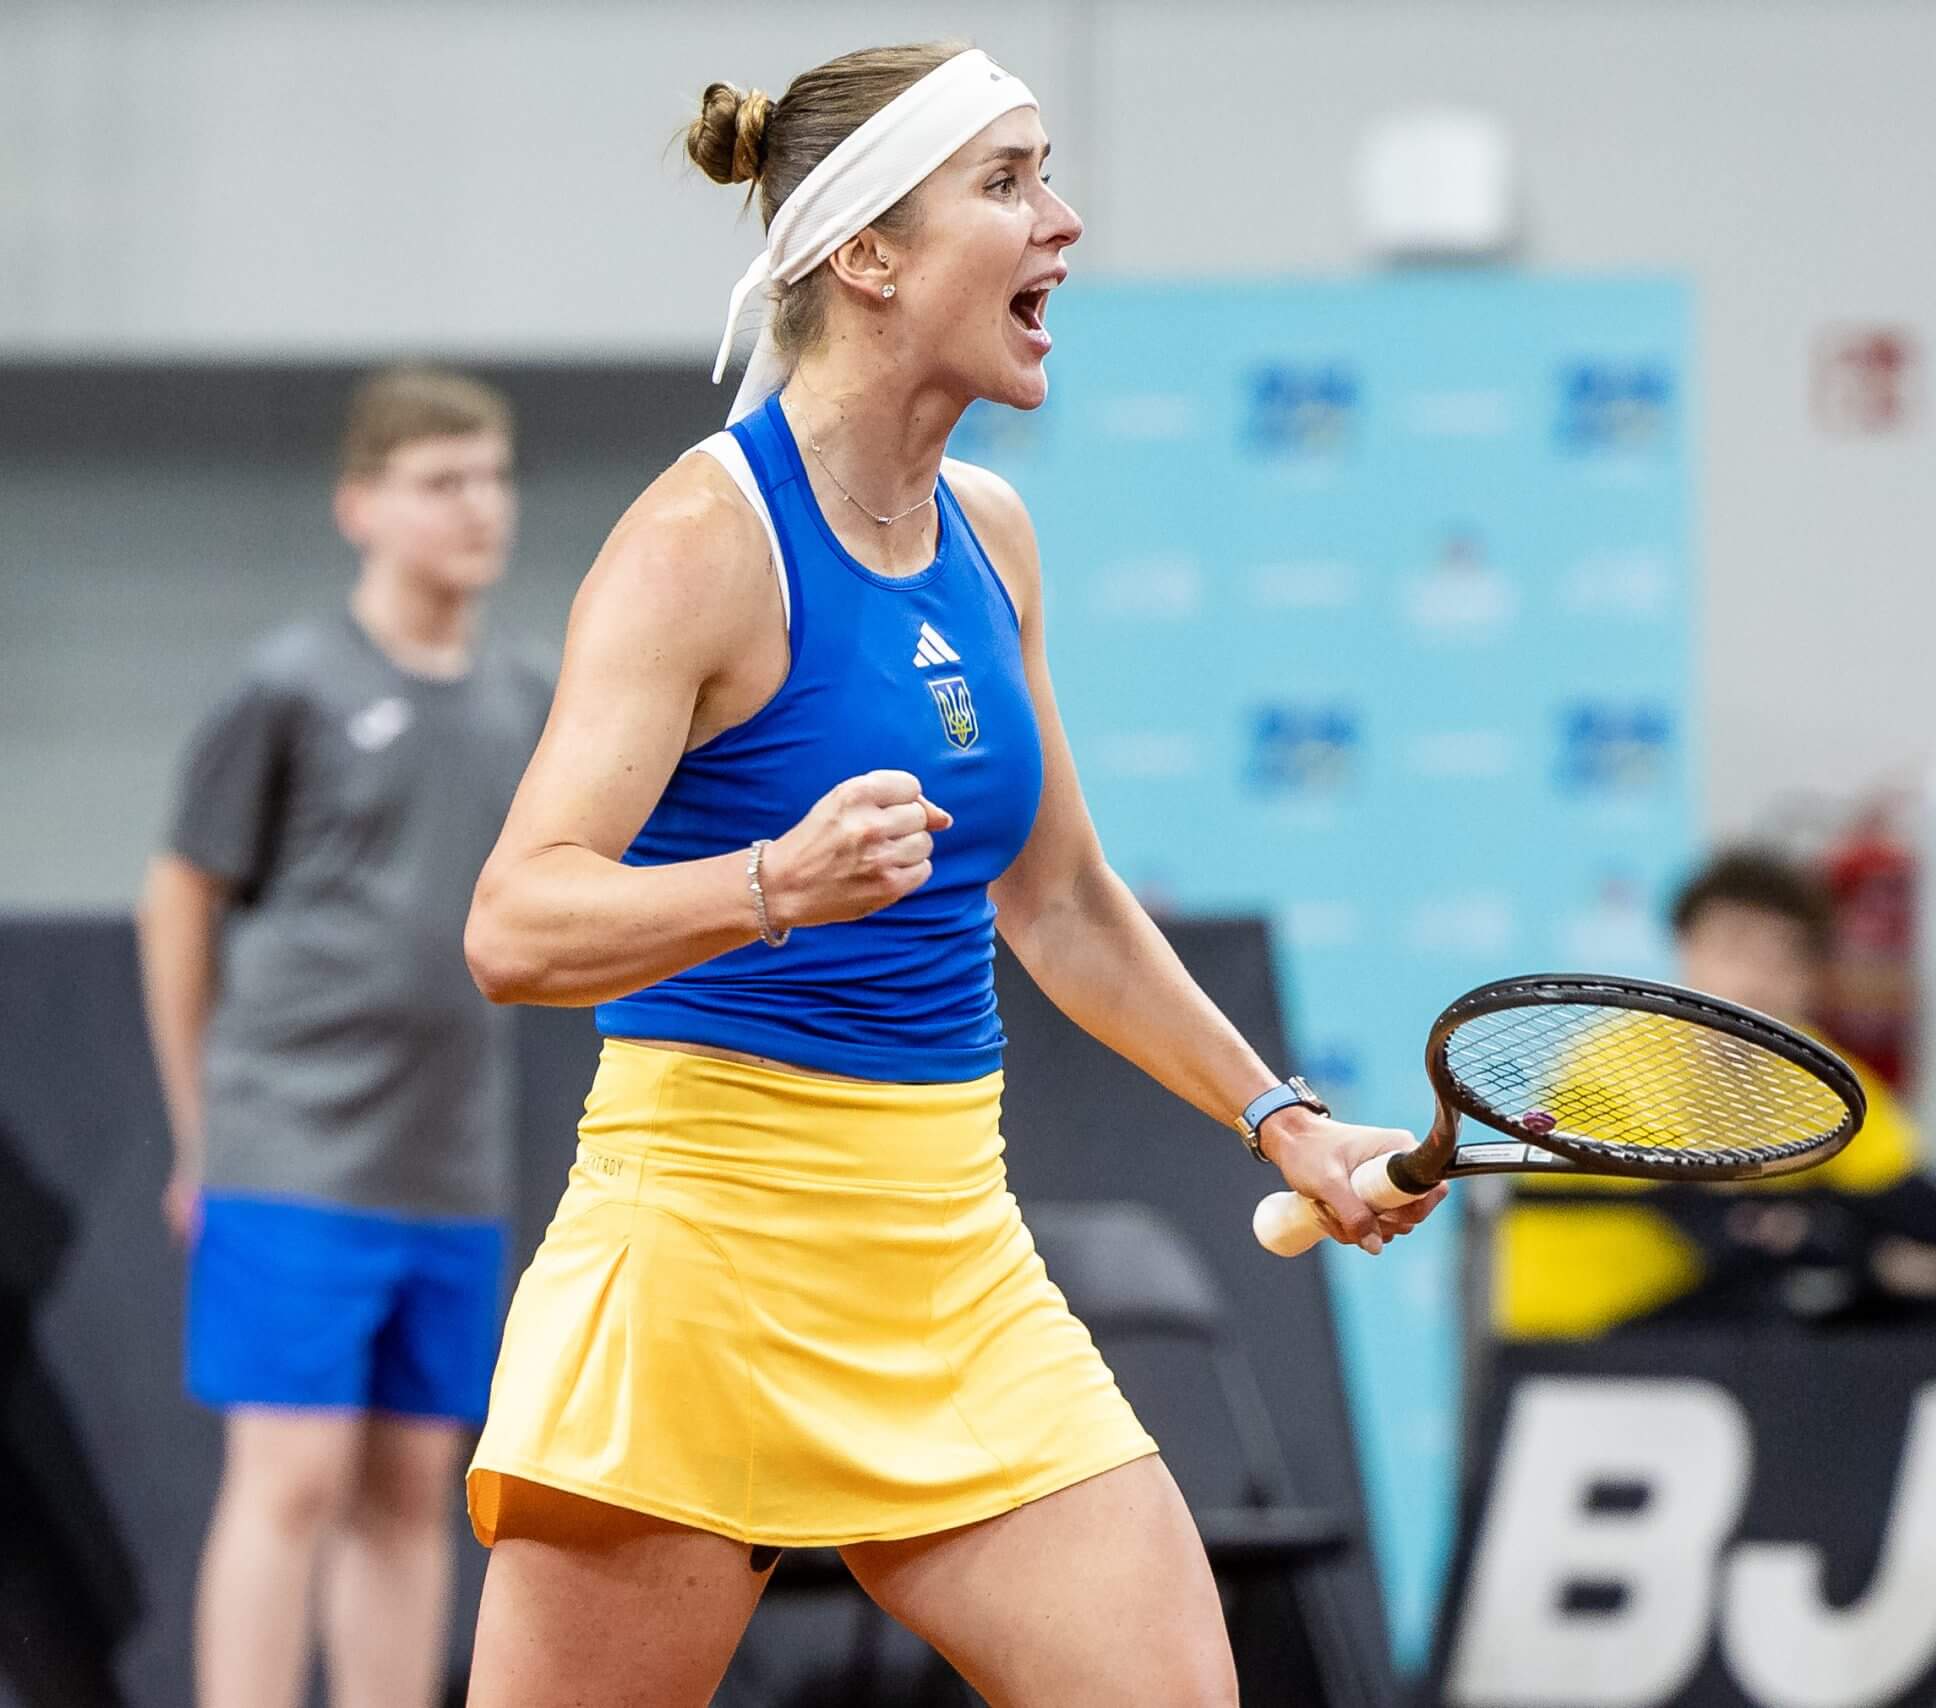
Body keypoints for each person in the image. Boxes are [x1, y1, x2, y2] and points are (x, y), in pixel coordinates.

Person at [455, 41, 1443, 1708]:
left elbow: (1059, 903)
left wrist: (1285, 1118)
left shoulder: (993, 533)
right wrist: (768, 880)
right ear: (867, 256)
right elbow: (514, 921)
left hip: (950, 1260)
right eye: (1007, 184)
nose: (1061, 221)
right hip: (697, 1258)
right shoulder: (703, 543)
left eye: (1046, 172)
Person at [135, 366, 544, 1708]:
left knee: (410, 1485)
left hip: (451, 1166)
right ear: (360, 506)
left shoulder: (528, 698)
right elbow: (180, 895)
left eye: (491, 478)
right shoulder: (291, 685)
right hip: (289, 1152)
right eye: (439, 482)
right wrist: (204, 1131)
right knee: (294, 1477)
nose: (477, 508)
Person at [1496, 847, 1936, 1338]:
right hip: (1578, 1340)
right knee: (1766, 1310)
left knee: (1924, 1319)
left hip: (1718, 1324)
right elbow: (1711, 1228)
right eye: (1735, 950)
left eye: (1785, 958)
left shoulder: (1823, 1073)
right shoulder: (1610, 1063)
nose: (1757, 981)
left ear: (1811, 978)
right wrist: (1841, 1230)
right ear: (1686, 948)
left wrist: (1824, 1229)